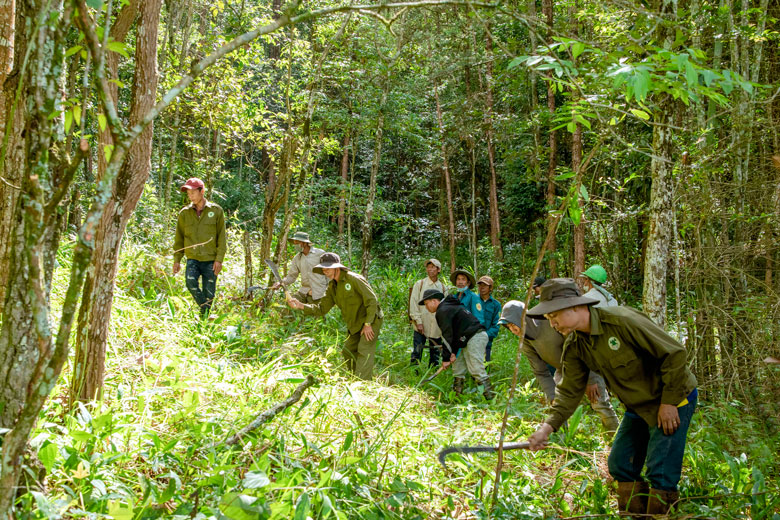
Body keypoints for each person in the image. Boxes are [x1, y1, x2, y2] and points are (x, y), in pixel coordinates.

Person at [526, 279, 698, 516]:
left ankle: (662, 512)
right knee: (620, 464)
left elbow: (675, 354)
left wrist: (669, 403)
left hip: (674, 397)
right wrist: (546, 428)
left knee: (660, 471)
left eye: (554, 315)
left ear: (576, 306)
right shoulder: (575, 345)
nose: (552, 323)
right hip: (637, 406)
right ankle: (634, 514)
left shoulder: (622, 321)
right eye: (548, 318)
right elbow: (569, 392)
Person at [498, 300, 620, 434]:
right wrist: (552, 396)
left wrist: (591, 379)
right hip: (563, 370)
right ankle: (563, 440)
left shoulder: (548, 322)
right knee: (556, 407)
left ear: (522, 317)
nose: (512, 330)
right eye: (508, 327)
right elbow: (541, 372)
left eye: (512, 324)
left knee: (599, 403)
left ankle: (614, 436)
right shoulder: (526, 342)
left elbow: (581, 346)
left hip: (587, 365)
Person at [286, 253, 383, 380]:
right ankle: (355, 378)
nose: (325, 270)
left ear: (337, 268)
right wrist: (300, 306)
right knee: (348, 350)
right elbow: (321, 309)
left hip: (370, 320)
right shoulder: (332, 287)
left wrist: (368, 324)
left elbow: (372, 301)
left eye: (328, 267)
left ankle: (362, 383)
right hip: (355, 323)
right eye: (323, 268)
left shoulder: (353, 279)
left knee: (364, 350)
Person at [419, 288, 493, 399]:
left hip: (475, 336)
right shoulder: (448, 307)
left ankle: (491, 399)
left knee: (476, 369)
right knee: (458, 368)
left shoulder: (442, 310)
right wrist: (452, 353)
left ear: (434, 301)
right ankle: (457, 398)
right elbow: (454, 334)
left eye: (426, 303)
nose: (426, 307)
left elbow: (446, 336)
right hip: (465, 339)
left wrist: (445, 359)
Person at [173, 177, 227, 318]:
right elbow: (179, 238)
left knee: (210, 294)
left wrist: (219, 259)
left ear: (202, 191)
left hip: (210, 259)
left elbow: (222, 237)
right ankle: (207, 312)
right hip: (193, 259)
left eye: (193, 192)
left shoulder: (216, 211)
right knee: (190, 283)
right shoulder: (184, 213)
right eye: (188, 193)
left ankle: (205, 320)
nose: (190, 196)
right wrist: (177, 259)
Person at [271, 231, 328, 303]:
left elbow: (329, 273)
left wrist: (327, 290)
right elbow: (292, 276)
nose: (295, 245)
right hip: (304, 291)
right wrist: (281, 283)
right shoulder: (297, 258)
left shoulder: (320, 254)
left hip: (319, 292)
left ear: (304, 243)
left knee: (312, 311)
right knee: (290, 304)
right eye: (294, 243)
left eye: (297, 243)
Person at [408, 259, 445, 367]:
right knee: (417, 349)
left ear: (438, 269)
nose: (430, 269)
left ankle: (433, 371)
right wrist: (418, 321)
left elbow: (444, 307)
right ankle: (414, 371)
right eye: (428, 267)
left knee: (435, 352)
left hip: (437, 326)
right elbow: (414, 303)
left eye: (433, 267)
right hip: (421, 323)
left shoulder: (442, 287)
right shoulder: (420, 284)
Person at [476, 276, 502, 362]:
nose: (482, 287)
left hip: (487, 341)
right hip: (473, 339)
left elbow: (496, 325)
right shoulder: (473, 300)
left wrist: (485, 335)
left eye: (485, 285)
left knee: (486, 365)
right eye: (480, 285)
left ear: (490, 288)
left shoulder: (496, 305)